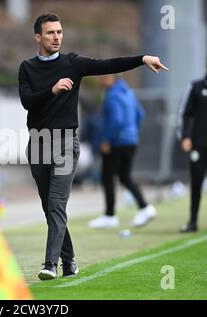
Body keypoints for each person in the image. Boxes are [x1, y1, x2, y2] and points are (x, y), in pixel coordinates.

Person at [18, 13, 167, 281]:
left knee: (56, 203)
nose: (56, 37)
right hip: (38, 142)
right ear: (38, 37)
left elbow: (108, 65)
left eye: (60, 32)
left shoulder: (72, 63)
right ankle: (70, 260)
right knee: (50, 208)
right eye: (50, 33)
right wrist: (52, 90)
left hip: (65, 142)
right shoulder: (27, 68)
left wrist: (142, 59)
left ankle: (51, 264)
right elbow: (27, 101)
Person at [88, 74, 157, 229]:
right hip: (130, 140)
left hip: (116, 142)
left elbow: (117, 120)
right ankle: (145, 207)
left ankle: (110, 215)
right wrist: (132, 132)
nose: (101, 80)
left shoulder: (111, 95)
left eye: (103, 77)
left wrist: (106, 139)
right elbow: (140, 114)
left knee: (107, 177)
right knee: (124, 176)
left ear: (112, 78)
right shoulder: (129, 92)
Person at [177, 75, 207, 233]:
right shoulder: (195, 87)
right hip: (199, 144)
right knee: (196, 182)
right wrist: (185, 136)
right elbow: (184, 113)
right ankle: (193, 221)